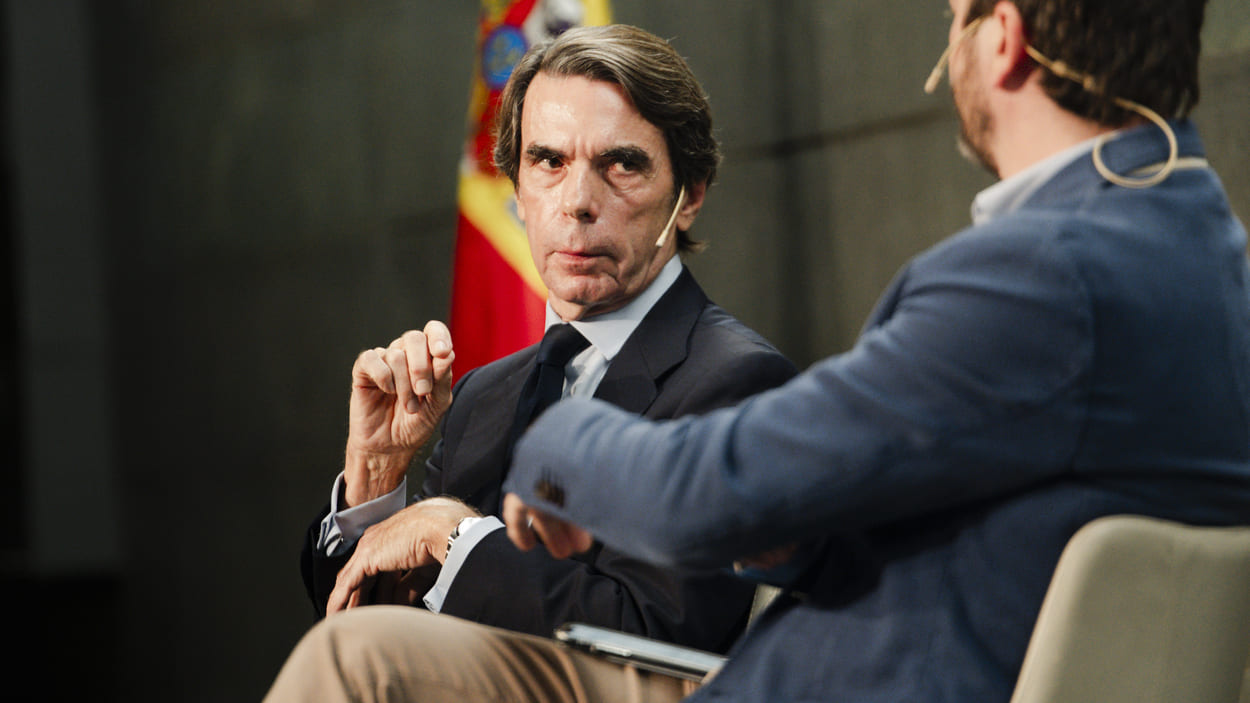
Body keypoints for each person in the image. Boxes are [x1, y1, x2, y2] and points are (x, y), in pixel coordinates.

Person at [264, 1, 1250, 702]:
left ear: (1003, 39)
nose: (576, 198)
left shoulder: (1033, 273)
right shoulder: (1202, 251)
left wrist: (554, 458)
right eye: (546, 163)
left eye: (950, 14)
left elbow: (709, 488)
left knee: (357, 667)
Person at [279, 21, 798, 698]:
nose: (577, 203)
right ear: (517, 192)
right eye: (548, 161)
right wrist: (375, 480)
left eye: (621, 164)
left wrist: (458, 537)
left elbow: (664, 635)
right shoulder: (482, 395)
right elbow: (363, 623)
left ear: (690, 193)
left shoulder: (734, 379)